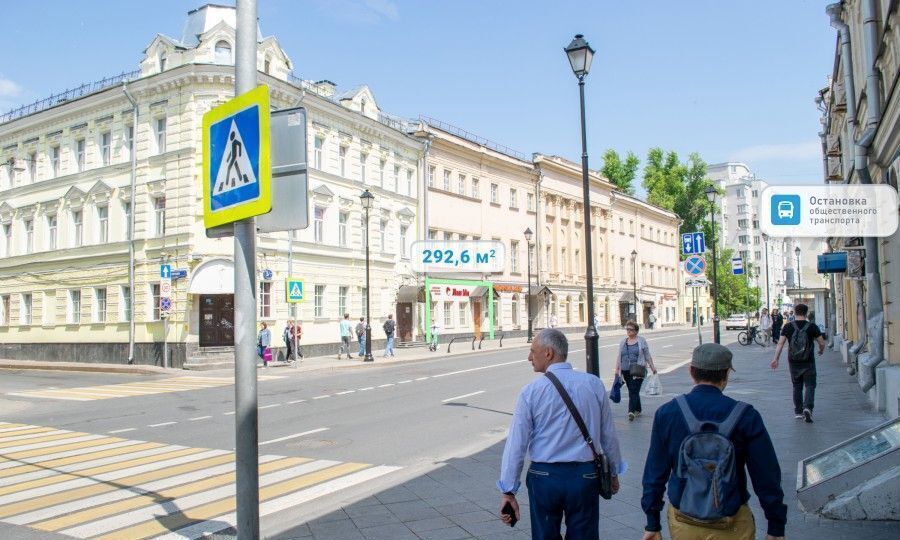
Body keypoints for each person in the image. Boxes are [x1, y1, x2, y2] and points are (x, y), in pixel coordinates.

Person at [642, 343, 787, 540]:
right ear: (726, 374)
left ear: (691, 371)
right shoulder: (746, 416)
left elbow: (654, 472)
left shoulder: (668, 413)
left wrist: (652, 523)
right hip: (732, 520)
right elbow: (766, 475)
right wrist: (775, 526)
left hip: (683, 520)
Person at [498, 329, 623, 539]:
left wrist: (509, 490)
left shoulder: (531, 392)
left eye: (532, 351)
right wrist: (614, 471)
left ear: (548, 353)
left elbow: (516, 445)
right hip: (585, 477)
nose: (529, 357)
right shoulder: (593, 384)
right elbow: (608, 435)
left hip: (544, 479)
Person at [771, 303, 825, 423]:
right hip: (808, 361)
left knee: (797, 386)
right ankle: (808, 407)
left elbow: (780, 343)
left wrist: (776, 359)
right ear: (806, 314)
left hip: (793, 361)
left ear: (795, 313)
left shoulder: (788, 327)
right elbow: (821, 342)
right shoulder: (812, 327)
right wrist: (821, 350)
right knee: (810, 385)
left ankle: (798, 412)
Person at [615, 320, 658, 421]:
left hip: (638, 369)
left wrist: (652, 367)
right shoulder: (623, 342)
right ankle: (638, 409)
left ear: (636, 331)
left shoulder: (641, 341)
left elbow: (647, 355)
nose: (628, 331)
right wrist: (617, 370)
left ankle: (631, 411)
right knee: (632, 390)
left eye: (631, 329)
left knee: (633, 389)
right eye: (627, 329)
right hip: (626, 370)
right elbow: (619, 356)